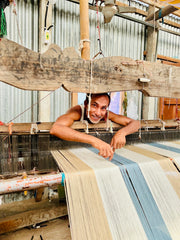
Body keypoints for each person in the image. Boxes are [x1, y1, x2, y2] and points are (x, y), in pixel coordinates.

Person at [50, 93, 140, 161]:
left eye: (103, 108)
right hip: (72, 154)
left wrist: (122, 133)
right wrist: (95, 141)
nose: (98, 112)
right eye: (94, 105)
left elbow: (136, 123)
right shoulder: (77, 112)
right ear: (86, 104)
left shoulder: (106, 114)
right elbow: (56, 128)